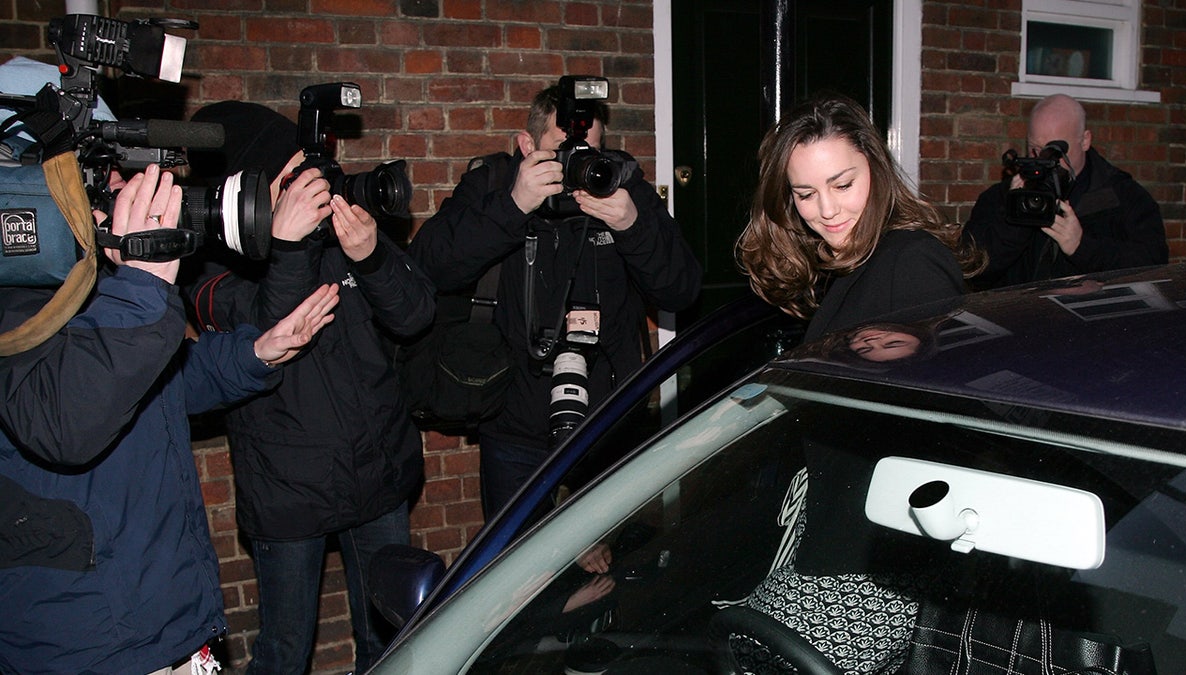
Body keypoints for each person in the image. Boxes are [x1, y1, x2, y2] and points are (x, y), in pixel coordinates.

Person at [0, 164, 340, 675]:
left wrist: (257, 353)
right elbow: (65, 424)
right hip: (89, 640)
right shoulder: (20, 299)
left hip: (164, 616)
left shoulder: (95, 287)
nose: (122, 193)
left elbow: (167, 384)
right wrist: (141, 280)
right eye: (106, 185)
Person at [180, 101, 437, 674]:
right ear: (248, 188)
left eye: (309, 169)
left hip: (377, 474)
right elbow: (267, 330)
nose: (311, 185)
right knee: (284, 650)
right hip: (289, 492)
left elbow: (416, 316)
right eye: (291, 175)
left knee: (389, 641)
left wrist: (371, 257)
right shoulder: (206, 262)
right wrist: (290, 247)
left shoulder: (338, 234)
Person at [407, 80, 702, 520]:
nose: (578, 163)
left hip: (609, 420)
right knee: (513, 569)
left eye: (590, 149)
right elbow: (430, 266)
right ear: (527, 145)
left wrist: (633, 225)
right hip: (514, 420)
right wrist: (514, 204)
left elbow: (681, 288)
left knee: (618, 567)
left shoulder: (620, 185)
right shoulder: (495, 183)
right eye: (564, 149)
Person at [737, 93, 983, 342]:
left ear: (876, 169)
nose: (827, 210)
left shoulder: (913, 259)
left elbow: (939, 373)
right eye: (806, 194)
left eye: (843, 185)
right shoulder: (824, 265)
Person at [963, 93, 1168, 289]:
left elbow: (1153, 268)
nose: (1043, 160)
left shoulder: (1124, 198)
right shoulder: (999, 197)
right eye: (1035, 149)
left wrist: (1081, 246)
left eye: (1054, 152)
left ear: (1085, 140)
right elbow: (971, 269)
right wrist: (1014, 220)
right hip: (1020, 320)